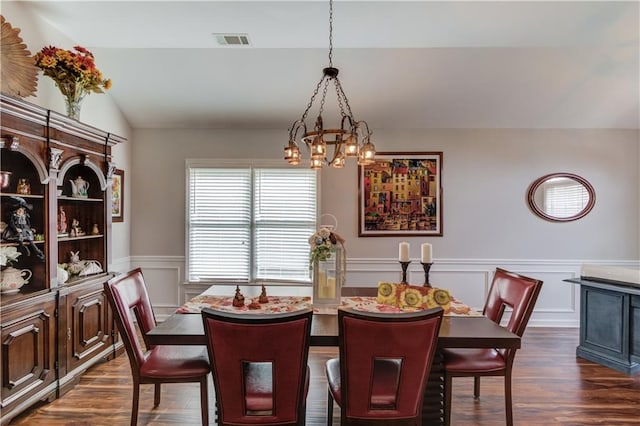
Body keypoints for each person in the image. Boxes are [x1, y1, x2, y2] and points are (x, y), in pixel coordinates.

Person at [1, 196, 45, 261]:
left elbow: (27, 223)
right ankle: (22, 247)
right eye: (19, 210)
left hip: (24, 230)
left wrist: (30, 228)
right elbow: (11, 224)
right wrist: (15, 229)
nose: (21, 212)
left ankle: (37, 251)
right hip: (15, 231)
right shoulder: (14, 217)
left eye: (22, 210)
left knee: (30, 239)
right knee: (19, 236)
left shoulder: (25, 217)